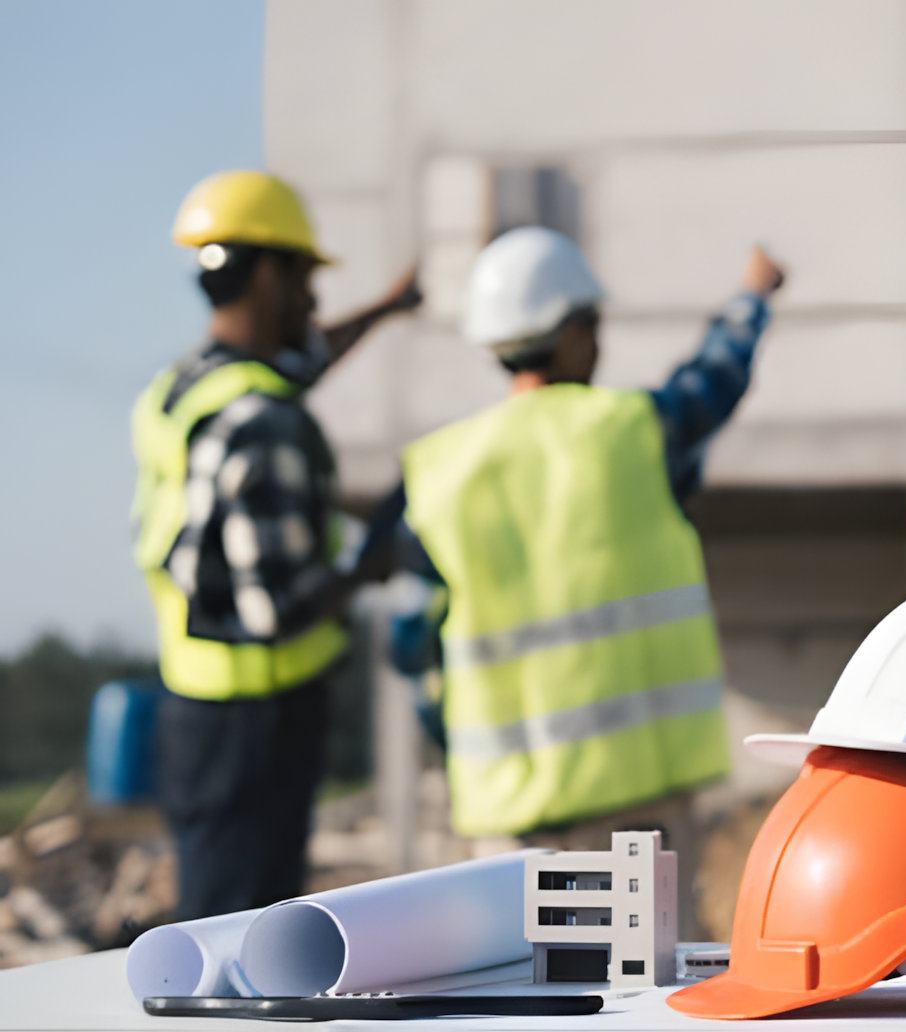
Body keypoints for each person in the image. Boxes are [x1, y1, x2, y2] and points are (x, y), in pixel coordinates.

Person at [384, 227, 782, 933]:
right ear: (568, 336)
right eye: (592, 326)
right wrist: (751, 298)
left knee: (527, 1000)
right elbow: (711, 385)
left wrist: (463, 754)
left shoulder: (440, 475)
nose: (598, 344)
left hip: (509, 820)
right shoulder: (632, 432)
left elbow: (411, 645)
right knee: (641, 998)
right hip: (638, 812)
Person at [131, 170, 420, 919]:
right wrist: (368, 566)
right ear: (267, 271)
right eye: (304, 277)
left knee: (215, 922)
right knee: (240, 948)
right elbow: (278, 608)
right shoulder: (266, 422)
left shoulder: (183, 389)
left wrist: (387, 309)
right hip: (256, 728)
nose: (314, 299)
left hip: (197, 708)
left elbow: (302, 357)